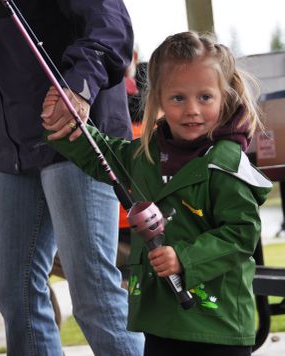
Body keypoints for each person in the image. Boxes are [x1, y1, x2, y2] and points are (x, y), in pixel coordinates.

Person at [43, 31, 273, 356]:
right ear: (159, 100)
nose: (191, 109)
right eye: (178, 98)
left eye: (205, 97)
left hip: (217, 328)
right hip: (159, 322)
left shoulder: (226, 166)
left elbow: (241, 235)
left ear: (225, 97)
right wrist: (65, 123)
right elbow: (101, 154)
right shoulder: (144, 156)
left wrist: (184, 258)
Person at [0, 1, 144, 355]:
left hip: (77, 139)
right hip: (16, 153)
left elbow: (110, 24)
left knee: (93, 294)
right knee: (15, 294)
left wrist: (79, 86)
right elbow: (3, 74)